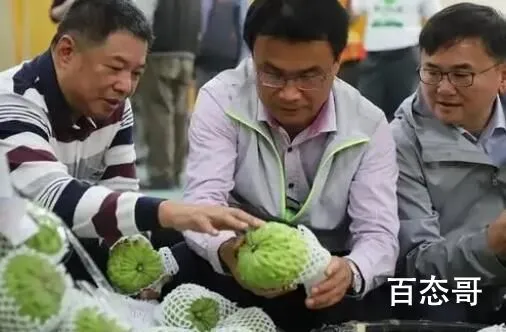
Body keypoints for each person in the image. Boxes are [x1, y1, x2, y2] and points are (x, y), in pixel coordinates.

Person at [177, 0, 400, 330]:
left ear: (338, 62)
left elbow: (378, 234)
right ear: (252, 58)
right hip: (242, 257)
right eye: (272, 74)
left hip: (326, 270)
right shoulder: (222, 98)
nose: (290, 94)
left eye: (309, 76)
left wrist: (350, 271)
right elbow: (203, 202)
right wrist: (228, 251)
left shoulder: (368, 124)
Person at [0, 0, 262, 281]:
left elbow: (121, 191)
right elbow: (51, 199)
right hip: (17, 255)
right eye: (115, 67)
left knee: (194, 240)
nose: (125, 85)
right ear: (66, 52)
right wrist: (168, 210)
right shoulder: (12, 100)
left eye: (136, 73)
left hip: (65, 239)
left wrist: (138, 270)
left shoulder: (113, 106)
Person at [392, 3, 506, 324]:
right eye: (432, 72)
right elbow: (414, 263)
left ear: (502, 76)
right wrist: (492, 245)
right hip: (444, 286)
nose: (443, 89)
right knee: (425, 296)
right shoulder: (401, 141)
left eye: (461, 75)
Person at [133, 0, 201, 190]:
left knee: (158, 111)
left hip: (159, 52)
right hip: (187, 54)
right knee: (179, 113)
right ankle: (177, 170)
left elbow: (142, 17)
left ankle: (161, 173)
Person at [350, 0, 441, 121]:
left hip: (406, 53)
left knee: (404, 112)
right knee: (366, 111)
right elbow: (353, 14)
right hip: (373, 55)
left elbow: (437, 19)